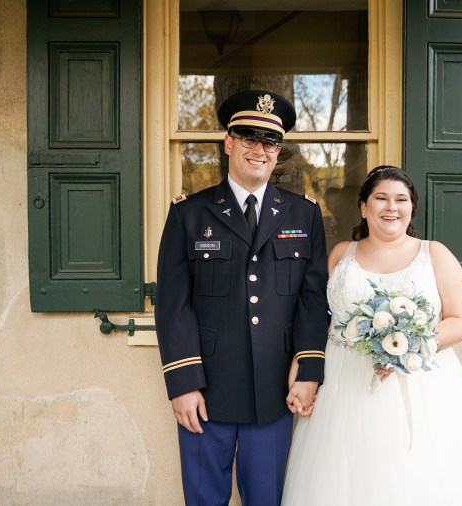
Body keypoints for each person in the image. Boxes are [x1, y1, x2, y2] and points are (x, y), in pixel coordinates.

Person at [282, 166, 462, 505]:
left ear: (411, 208)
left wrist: (408, 348)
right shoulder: (341, 254)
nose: (392, 207)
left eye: (401, 200)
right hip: (343, 384)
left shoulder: (434, 254)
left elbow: (460, 321)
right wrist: (303, 369)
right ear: (364, 207)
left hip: (420, 384)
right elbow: (318, 318)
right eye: (381, 198)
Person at [155, 89, 329, 506]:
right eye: (249, 138)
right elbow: (173, 304)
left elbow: (312, 299)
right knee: (203, 498)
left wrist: (309, 370)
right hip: (206, 390)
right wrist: (183, 383)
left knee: (267, 498)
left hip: (274, 390)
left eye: (270, 142)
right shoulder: (189, 213)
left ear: (278, 151)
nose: (259, 150)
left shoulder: (304, 213)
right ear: (228, 143)